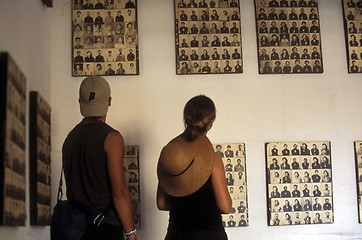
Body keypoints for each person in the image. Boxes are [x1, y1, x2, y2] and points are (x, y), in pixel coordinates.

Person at [62, 77, 137, 240]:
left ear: (80, 101)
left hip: (75, 229)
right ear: (109, 101)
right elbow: (120, 193)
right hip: (104, 227)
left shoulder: (69, 138)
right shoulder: (112, 138)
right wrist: (131, 233)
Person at [157, 95, 232, 240]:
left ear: (186, 120)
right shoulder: (213, 160)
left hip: (176, 234)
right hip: (209, 235)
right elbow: (225, 207)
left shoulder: (171, 154)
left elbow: (162, 203)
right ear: (210, 123)